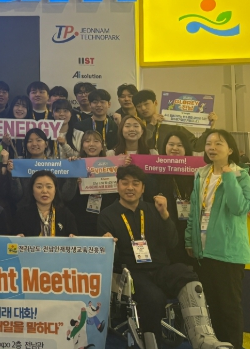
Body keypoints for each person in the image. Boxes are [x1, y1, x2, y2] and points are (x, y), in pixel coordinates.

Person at [98, 165, 231, 349]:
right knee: (154, 297)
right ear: (117, 185)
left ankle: (203, 338)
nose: (130, 187)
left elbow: (172, 242)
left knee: (188, 277)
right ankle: (153, 344)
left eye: (136, 183)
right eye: (125, 183)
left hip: (160, 269)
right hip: (130, 273)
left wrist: (165, 215)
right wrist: (108, 244)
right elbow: (110, 259)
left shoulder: (154, 210)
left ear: (143, 188)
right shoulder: (107, 215)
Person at [185, 130, 250, 349]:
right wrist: (189, 240)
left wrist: (229, 175)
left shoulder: (242, 175)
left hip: (228, 251)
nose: (212, 147)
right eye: (209, 143)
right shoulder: (201, 173)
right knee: (211, 307)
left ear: (230, 149)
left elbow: (239, 208)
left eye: (218, 143)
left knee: (229, 308)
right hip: (203, 250)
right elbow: (194, 209)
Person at [154, 130, 198, 265]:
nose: (175, 148)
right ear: (164, 146)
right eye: (171, 144)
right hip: (166, 225)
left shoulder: (195, 172)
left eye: (180, 145)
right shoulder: (156, 170)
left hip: (190, 226)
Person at [67, 130, 117, 237]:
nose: (91, 144)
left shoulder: (112, 165)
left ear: (102, 146)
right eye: (87, 141)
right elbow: (67, 196)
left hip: (104, 216)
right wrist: (73, 174)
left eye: (96, 141)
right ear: (82, 145)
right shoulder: (76, 164)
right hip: (80, 217)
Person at [132, 89, 216, 153]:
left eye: (146, 104)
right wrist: (151, 125)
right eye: (139, 106)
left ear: (155, 103)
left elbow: (196, 146)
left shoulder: (170, 123)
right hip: (146, 167)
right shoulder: (135, 125)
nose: (143, 108)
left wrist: (209, 128)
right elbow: (138, 144)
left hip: (169, 167)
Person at [15, 170, 77, 237]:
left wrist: (73, 238)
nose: (44, 191)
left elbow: (74, 237)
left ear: (55, 190)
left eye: (49, 187)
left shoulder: (65, 214)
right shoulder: (22, 214)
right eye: (39, 187)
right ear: (32, 190)